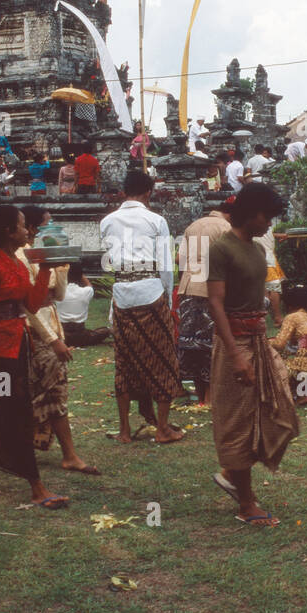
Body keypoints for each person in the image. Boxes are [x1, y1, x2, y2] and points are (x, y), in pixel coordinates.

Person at [0, 204, 68, 509]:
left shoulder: (17, 264)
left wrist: (46, 267)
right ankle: (36, 487)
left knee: (8, 409)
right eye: (22, 226)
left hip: (18, 347)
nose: (27, 231)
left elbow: (32, 304)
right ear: (8, 232)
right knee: (16, 411)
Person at [206, 182, 300, 526]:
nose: (269, 225)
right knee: (239, 422)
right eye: (267, 217)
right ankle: (246, 503)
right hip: (235, 344)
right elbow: (215, 302)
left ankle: (232, 472)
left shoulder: (259, 250)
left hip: (259, 341)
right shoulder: (221, 248)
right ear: (251, 212)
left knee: (280, 409)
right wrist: (235, 355)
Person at [99, 169, 182, 443]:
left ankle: (124, 430)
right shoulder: (156, 220)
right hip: (150, 291)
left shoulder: (108, 222)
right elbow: (166, 266)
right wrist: (168, 299)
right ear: (148, 192)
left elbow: (112, 261)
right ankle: (162, 428)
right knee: (162, 359)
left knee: (125, 361)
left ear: (124, 191)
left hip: (122, 291)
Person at [18, 203, 100, 475]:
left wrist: (60, 265)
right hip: (35, 332)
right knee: (47, 393)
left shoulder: (42, 256)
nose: (52, 231)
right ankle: (68, 455)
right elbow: (28, 305)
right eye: (46, 225)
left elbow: (59, 296)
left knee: (52, 392)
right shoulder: (19, 256)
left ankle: (62, 453)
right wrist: (53, 340)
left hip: (52, 324)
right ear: (31, 229)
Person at [176, 201, 232, 401]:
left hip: (189, 287)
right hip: (211, 289)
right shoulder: (226, 227)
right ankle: (210, 395)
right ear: (229, 215)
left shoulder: (193, 226)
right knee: (211, 344)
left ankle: (201, 396)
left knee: (191, 344)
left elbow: (179, 260)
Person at [58, 261, 110, 346]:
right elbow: (89, 285)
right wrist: (80, 275)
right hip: (81, 336)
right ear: (80, 276)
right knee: (105, 331)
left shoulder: (58, 293)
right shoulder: (86, 292)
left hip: (62, 336)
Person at [259, 222, 285, 326]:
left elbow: (268, 234)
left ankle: (265, 316)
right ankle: (278, 317)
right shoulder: (258, 222)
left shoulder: (256, 222)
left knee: (265, 287)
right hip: (266, 259)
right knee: (273, 287)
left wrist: (280, 235)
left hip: (264, 257)